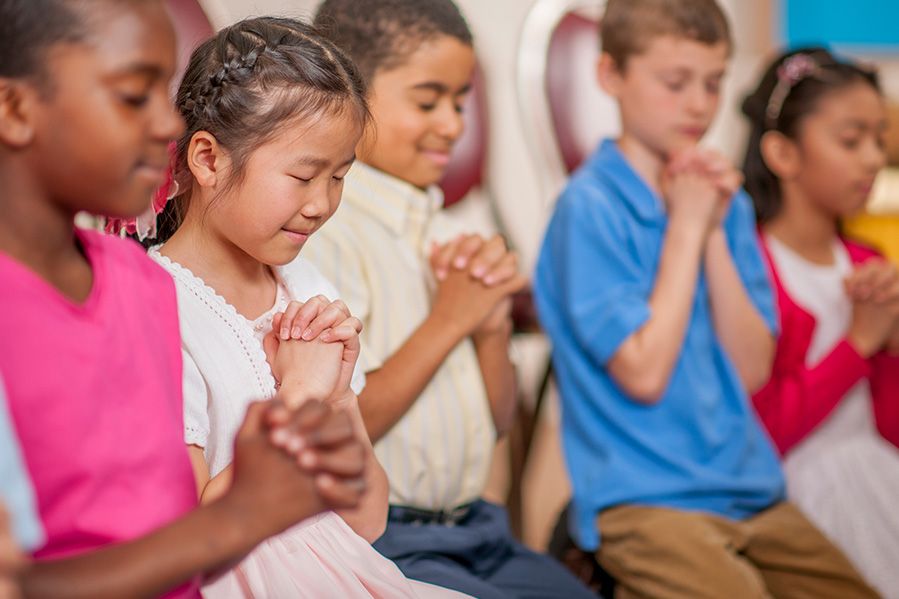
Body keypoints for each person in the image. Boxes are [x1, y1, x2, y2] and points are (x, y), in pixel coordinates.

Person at [0, 2, 368, 597]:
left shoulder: (136, 282)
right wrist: (242, 510)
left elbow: (167, 521)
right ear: (15, 108)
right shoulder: (155, 290)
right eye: (131, 95)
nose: (167, 126)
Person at [533, 1, 877, 597]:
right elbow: (642, 372)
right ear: (611, 76)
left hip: (749, 491)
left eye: (714, 82)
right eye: (675, 82)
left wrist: (714, 229)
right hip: (643, 502)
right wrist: (687, 230)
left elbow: (750, 368)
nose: (698, 103)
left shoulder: (728, 205)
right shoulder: (589, 208)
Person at [149, 15, 468, 598]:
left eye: (340, 177)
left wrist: (339, 395)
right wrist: (298, 397)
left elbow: (366, 520)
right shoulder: (158, 308)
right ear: (208, 158)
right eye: (302, 176)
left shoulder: (306, 285)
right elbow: (185, 545)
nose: (322, 204)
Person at [303, 1, 595, 597]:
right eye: (428, 100)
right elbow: (342, 423)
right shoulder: (327, 230)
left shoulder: (435, 228)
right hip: (388, 539)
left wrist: (488, 328)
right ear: (346, 93)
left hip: (475, 530)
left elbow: (496, 420)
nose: (454, 125)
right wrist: (449, 319)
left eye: (460, 102)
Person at [743, 47, 899, 597]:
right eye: (850, 140)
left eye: (879, 139)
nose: (872, 158)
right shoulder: (752, 269)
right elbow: (763, 432)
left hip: (879, 476)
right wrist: (861, 342)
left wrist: (894, 347)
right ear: (783, 153)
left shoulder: (864, 265)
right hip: (799, 493)